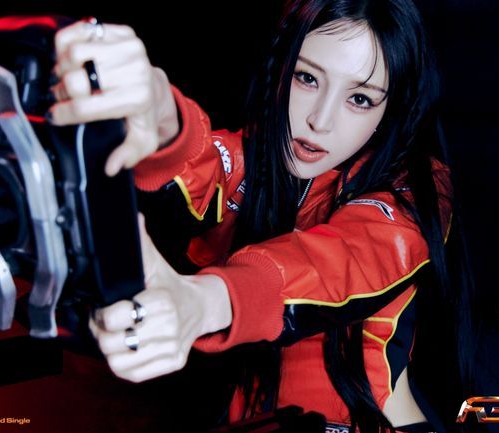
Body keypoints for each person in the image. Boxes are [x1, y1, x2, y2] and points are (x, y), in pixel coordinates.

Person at [49, 1, 475, 432]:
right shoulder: (258, 159)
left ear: (392, 108)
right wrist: (157, 108)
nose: (320, 120)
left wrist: (203, 302)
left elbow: (340, 260)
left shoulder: (418, 192)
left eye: (360, 99)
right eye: (307, 77)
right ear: (280, 67)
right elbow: (201, 160)